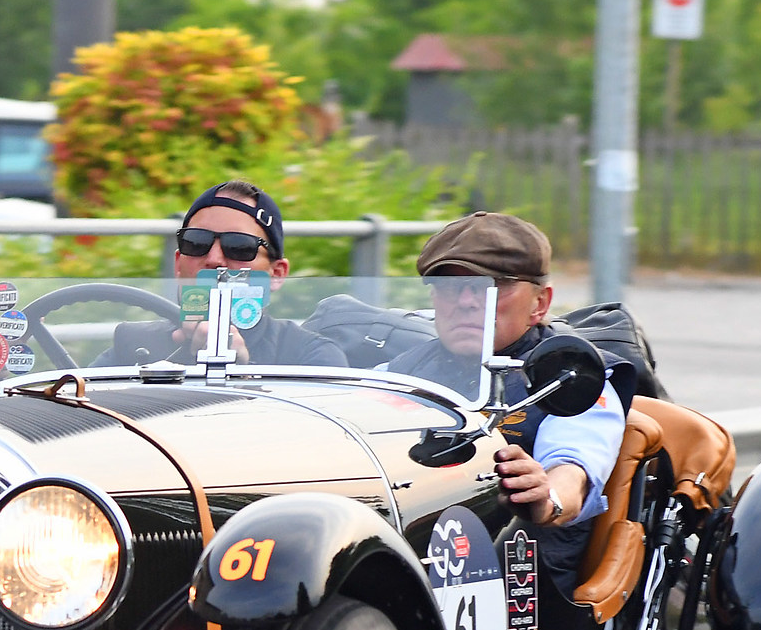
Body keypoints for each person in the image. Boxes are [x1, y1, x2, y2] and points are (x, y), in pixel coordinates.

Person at [387, 211, 632, 547]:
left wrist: (546, 495)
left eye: (493, 286)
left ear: (540, 303)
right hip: (411, 549)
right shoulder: (396, 372)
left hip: (522, 570)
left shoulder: (572, 376)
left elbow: (574, 464)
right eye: (450, 286)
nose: (467, 302)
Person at [101, 181, 348, 369]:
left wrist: (243, 373)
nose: (214, 259)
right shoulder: (131, 344)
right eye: (196, 242)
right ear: (178, 265)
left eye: (239, 246)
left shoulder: (309, 356)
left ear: (276, 274)